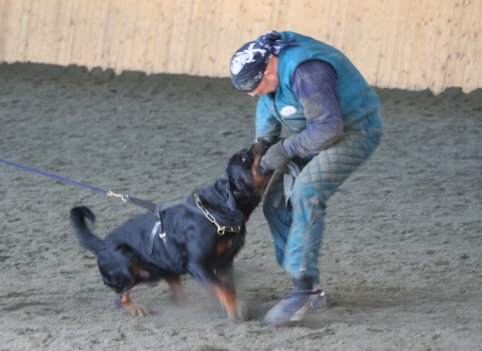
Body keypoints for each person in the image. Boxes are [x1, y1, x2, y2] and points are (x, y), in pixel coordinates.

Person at [229, 30, 383, 324]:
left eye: (255, 85)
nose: (253, 93)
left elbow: (328, 128)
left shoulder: (307, 70)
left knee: (306, 191)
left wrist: (285, 149)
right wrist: (262, 148)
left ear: (270, 65)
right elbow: (268, 103)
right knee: (275, 204)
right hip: (315, 133)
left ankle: (303, 291)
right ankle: (310, 289)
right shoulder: (271, 74)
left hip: (352, 132)